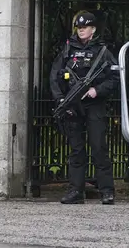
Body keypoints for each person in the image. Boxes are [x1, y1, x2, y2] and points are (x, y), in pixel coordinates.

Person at [49, 11, 118, 205]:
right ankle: (76, 191)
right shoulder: (68, 49)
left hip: (94, 104)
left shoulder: (102, 51)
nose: (81, 30)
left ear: (93, 29)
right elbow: (55, 76)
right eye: (79, 28)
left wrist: (98, 90)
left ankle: (106, 191)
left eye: (85, 27)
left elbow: (115, 77)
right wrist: (61, 99)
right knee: (76, 149)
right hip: (73, 104)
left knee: (98, 147)